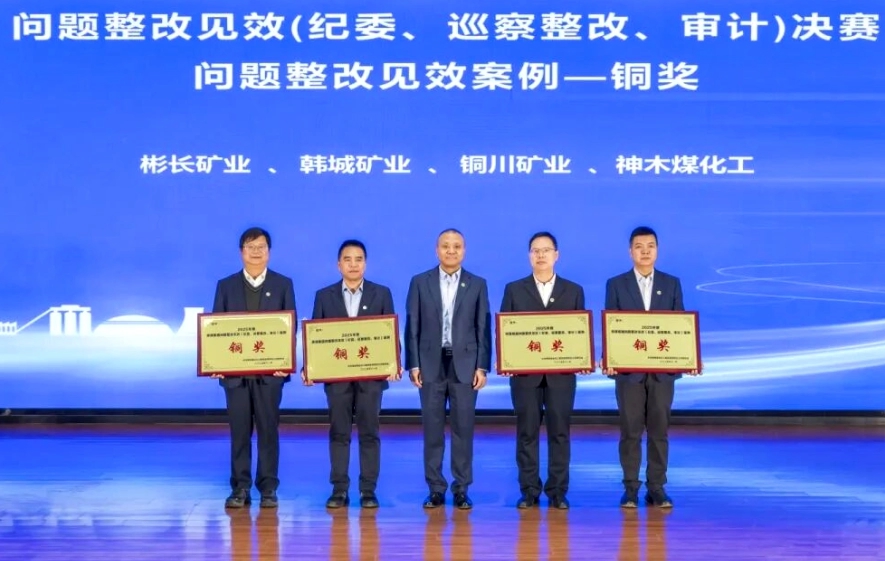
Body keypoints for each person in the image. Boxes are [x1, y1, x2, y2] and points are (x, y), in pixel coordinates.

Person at [603, 226, 700, 509]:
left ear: (657, 250)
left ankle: (657, 488)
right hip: (628, 373)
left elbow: (679, 327)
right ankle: (630, 488)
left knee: (659, 432)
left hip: (662, 373)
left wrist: (690, 357)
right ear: (630, 251)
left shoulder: (671, 284)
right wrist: (609, 358)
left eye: (650, 246)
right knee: (630, 432)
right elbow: (612, 325)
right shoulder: (616, 284)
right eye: (639, 246)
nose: (645, 251)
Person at [302, 240, 399, 509]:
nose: (353, 264)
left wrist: (393, 363)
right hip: (338, 381)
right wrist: (310, 367)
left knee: (370, 433)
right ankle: (339, 490)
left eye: (358, 259)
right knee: (339, 433)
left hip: (371, 380)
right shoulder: (324, 296)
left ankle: (368, 490)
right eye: (347, 259)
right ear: (338, 265)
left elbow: (389, 334)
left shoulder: (381, 293)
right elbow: (316, 338)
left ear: (365, 264)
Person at [499, 232, 588, 510]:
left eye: (546, 250)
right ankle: (529, 491)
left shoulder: (573, 290)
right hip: (525, 377)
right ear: (529, 256)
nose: (540, 255)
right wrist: (506, 360)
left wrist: (582, 358)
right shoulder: (514, 290)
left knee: (559, 433)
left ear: (556, 255)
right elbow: (505, 330)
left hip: (561, 377)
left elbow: (578, 333)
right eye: (535, 250)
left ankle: (558, 491)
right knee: (526, 433)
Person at [405, 228, 491, 510]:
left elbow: (483, 327)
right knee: (432, 429)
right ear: (437, 250)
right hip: (430, 363)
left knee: (463, 429)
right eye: (445, 246)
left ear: (464, 250)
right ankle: (435, 489)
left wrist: (482, 366)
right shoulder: (420, 282)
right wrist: (413, 363)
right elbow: (412, 325)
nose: (451, 251)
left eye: (456, 246)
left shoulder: (477, 284)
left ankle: (462, 488)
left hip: (465, 365)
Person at [211, 227, 296, 509]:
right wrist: (216, 361)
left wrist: (286, 361)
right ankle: (240, 488)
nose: (256, 252)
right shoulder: (226, 286)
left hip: (270, 375)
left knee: (268, 431)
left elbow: (290, 328)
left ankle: (268, 488)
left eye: (261, 247)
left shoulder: (283, 284)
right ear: (241, 252)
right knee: (239, 432)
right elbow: (216, 330)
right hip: (235, 376)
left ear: (269, 252)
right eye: (250, 247)